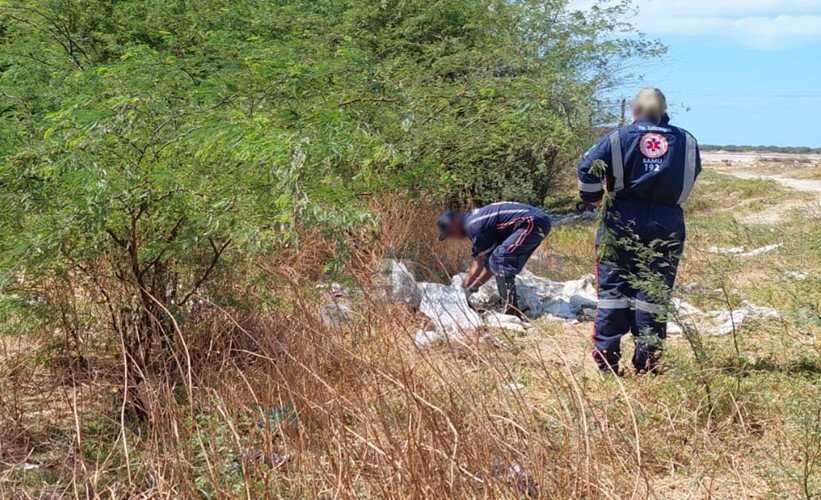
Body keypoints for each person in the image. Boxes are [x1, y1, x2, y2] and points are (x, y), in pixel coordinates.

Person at [577, 87, 701, 375]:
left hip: (621, 218)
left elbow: (586, 167)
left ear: (635, 111)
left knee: (613, 291)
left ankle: (607, 363)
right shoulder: (687, 140)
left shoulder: (617, 137)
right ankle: (647, 362)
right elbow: (692, 173)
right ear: (664, 111)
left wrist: (593, 197)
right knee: (654, 292)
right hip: (666, 221)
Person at [437, 202, 551, 318]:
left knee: (500, 258)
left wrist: (464, 290)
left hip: (532, 222)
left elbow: (482, 263)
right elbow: (488, 265)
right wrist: (470, 289)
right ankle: (510, 306)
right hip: (537, 221)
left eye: (451, 232)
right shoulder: (474, 221)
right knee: (501, 261)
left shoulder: (474, 226)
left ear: (455, 221)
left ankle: (511, 311)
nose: (453, 237)